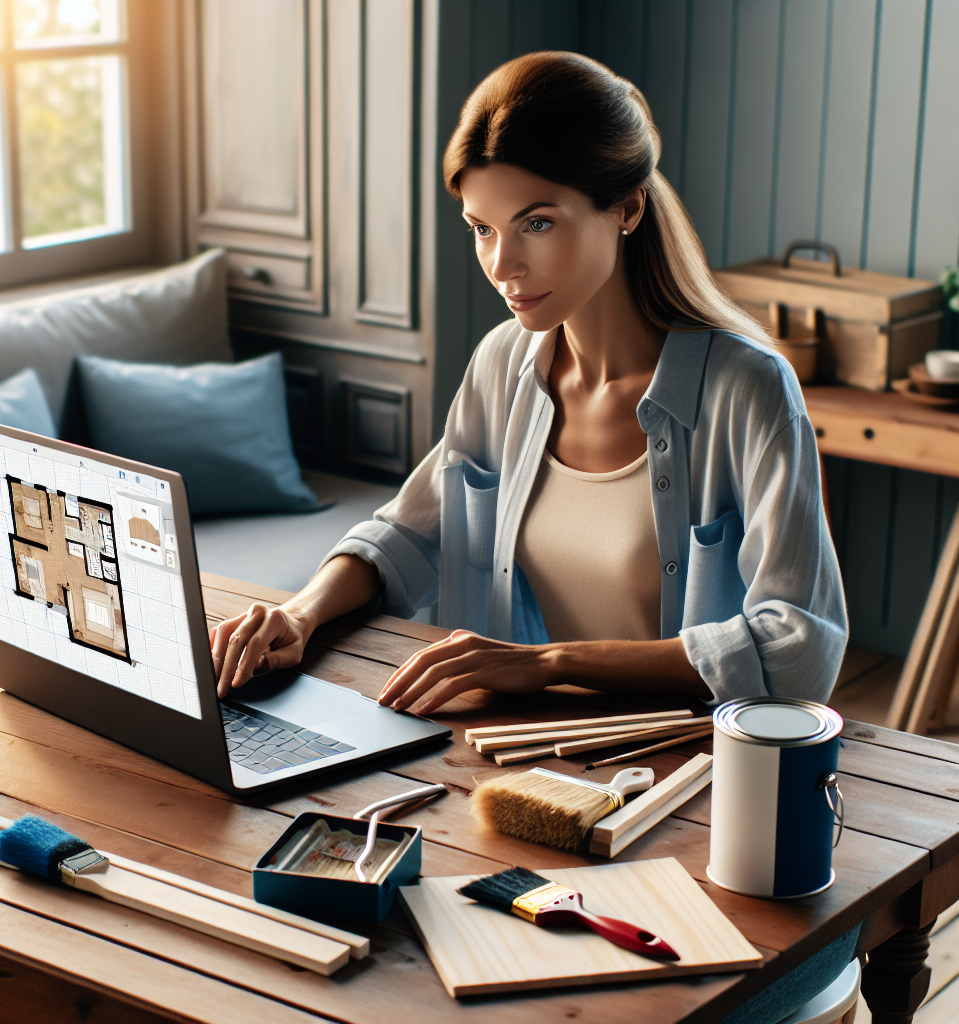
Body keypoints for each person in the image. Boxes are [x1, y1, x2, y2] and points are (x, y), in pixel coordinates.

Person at [210, 51, 848, 719]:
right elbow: (410, 532)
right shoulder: (502, 363)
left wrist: (546, 664)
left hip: (680, 773)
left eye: (536, 224)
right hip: (499, 759)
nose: (503, 264)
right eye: (482, 229)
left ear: (627, 208)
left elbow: (802, 644)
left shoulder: (749, 389)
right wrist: (300, 614)